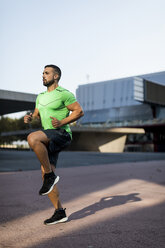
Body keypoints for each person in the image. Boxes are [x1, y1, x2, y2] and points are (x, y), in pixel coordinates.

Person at [24, 64, 84, 225]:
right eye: (42, 73)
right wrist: (30, 117)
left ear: (55, 76)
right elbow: (36, 114)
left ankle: (51, 176)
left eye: (46, 73)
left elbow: (79, 111)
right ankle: (59, 212)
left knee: (33, 138)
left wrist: (62, 122)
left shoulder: (64, 94)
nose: (43, 75)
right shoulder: (40, 96)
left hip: (61, 134)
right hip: (49, 137)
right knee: (45, 173)